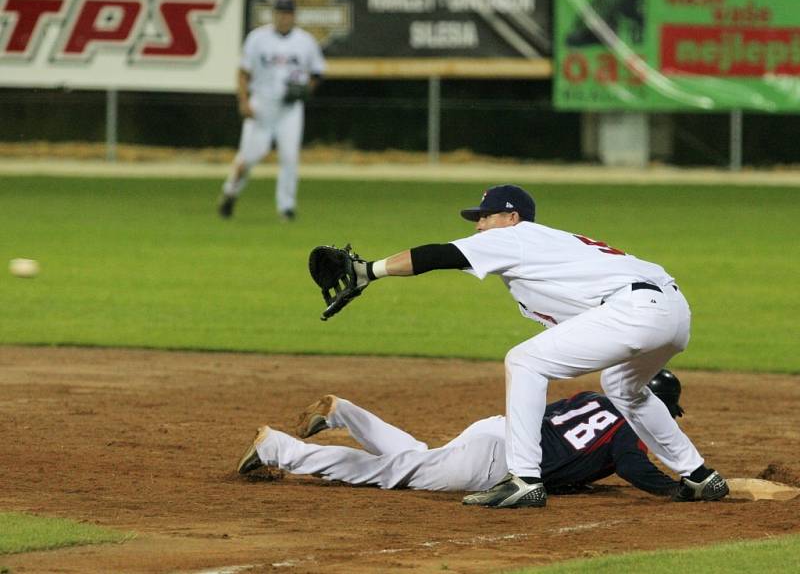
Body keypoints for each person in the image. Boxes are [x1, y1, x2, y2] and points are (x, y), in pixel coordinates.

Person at [322, 184, 729, 508]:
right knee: (623, 387)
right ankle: (698, 476)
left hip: (637, 308)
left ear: (512, 217)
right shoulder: (550, 252)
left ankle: (525, 480)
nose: (479, 225)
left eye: (486, 216)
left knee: (524, 362)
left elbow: (438, 255)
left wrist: (369, 270)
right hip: (672, 311)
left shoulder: (516, 237)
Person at [237, 370, 693, 500]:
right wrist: (677, 489)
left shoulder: (592, 397)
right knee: (391, 474)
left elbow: (557, 425)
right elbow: (634, 466)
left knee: (417, 457)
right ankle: (281, 448)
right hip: (494, 463)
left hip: (493, 432)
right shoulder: (631, 427)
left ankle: (344, 412)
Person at [218, 0, 326, 221]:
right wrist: (244, 101)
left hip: (290, 109)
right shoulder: (257, 39)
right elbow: (243, 73)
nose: (283, 17)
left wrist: (306, 89)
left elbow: (316, 73)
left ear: (293, 15)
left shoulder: (305, 41)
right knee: (248, 158)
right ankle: (230, 192)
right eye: (279, 12)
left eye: (287, 13)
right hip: (262, 105)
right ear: (273, 13)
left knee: (289, 158)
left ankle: (286, 207)